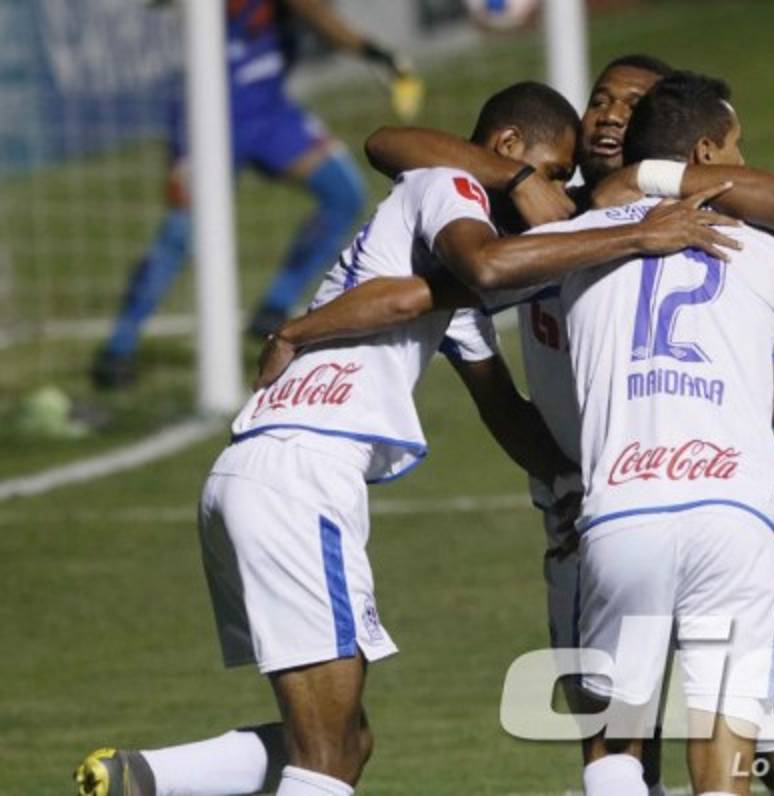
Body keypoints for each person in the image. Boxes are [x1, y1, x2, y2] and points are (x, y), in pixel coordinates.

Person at [73, 81, 738, 796]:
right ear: (509, 149)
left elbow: (495, 398)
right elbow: (472, 265)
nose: (548, 195)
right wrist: (638, 233)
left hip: (254, 474)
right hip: (303, 475)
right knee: (326, 760)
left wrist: (575, 486)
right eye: (550, 173)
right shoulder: (449, 185)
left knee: (345, 742)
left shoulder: (433, 263)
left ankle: (141, 779)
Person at [350, 55, 774, 795]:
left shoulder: (617, 225)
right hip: (609, 513)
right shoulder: (558, 222)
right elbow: (391, 146)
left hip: (651, 502)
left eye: (631, 105)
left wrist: (647, 183)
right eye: (600, 100)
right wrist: (516, 181)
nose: (610, 114)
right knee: (624, 743)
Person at [538, 70, 774, 796]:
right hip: (735, 514)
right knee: (728, 751)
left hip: (620, 514)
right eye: (738, 148)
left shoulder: (572, 246)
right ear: (707, 153)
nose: (747, 163)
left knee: (616, 746)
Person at [90, 0, 407, 389]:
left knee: (343, 194)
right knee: (180, 234)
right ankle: (117, 348)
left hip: (270, 114)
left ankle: (274, 308)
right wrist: (373, 51)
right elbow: (316, 14)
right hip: (208, 113)